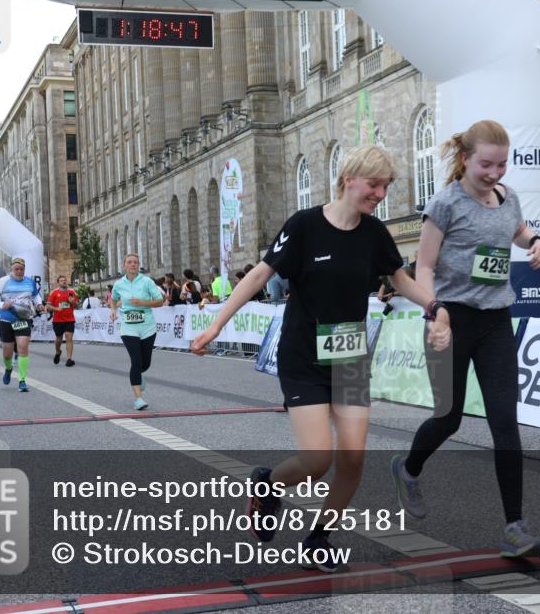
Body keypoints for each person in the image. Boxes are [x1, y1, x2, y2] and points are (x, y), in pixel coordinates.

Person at [192, 145, 449, 573]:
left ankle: (318, 539)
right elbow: (260, 274)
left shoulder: (374, 233)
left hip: (349, 358)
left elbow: (400, 279)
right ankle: (268, 485)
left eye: (386, 186)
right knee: (317, 460)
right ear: (348, 179)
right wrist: (217, 324)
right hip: (303, 358)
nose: (381, 194)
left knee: (352, 459)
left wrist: (435, 306)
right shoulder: (305, 226)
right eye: (374, 184)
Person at [390, 120, 540, 559]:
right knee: (449, 417)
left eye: (502, 165)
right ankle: (408, 469)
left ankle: (515, 528)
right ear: (465, 159)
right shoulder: (445, 203)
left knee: (505, 422)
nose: (495, 173)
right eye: (486, 165)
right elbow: (424, 267)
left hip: (496, 320)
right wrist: (432, 315)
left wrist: (536, 241)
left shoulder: (508, 197)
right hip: (450, 318)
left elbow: (516, 229)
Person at [109, 253, 165, 410]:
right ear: (124, 265)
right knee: (136, 361)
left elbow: (160, 301)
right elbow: (113, 299)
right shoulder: (119, 284)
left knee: (145, 363)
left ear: (138, 265)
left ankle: (138, 376)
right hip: (128, 328)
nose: (133, 264)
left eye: (135, 262)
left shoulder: (147, 282)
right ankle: (138, 399)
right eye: (129, 262)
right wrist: (113, 310)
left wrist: (142, 302)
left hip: (147, 327)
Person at [0, 258, 45, 392]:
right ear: (12, 269)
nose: (19, 271)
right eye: (16, 269)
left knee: (23, 348)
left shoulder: (30, 282)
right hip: (7, 320)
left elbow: (35, 296)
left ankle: (22, 380)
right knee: (7, 354)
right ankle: (8, 368)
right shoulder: (3, 281)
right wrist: (1, 304)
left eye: (21, 269)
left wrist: (39, 304)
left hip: (23, 319)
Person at [45, 275, 79, 366]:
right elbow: (47, 306)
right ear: (58, 283)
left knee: (69, 338)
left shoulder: (71, 292)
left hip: (69, 319)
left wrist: (73, 302)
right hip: (58, 320)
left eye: (65, 280)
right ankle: (58, 352)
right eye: (61, 280)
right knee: (58, 339)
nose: (64, 282)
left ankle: (69, 359)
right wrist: (56, 309)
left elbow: (77, 305)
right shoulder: (54, 292)